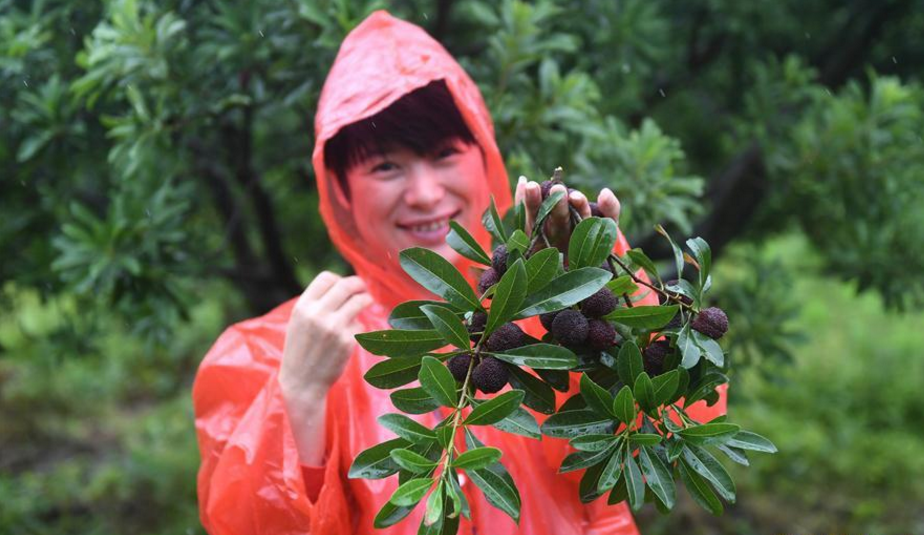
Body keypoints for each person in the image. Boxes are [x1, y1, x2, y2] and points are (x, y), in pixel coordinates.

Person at [192, 10, 726, 535]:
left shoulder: (544, 314)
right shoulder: (270, 354)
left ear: (483, 156)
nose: (425, 193)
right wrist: (298, 399)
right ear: (340, 190)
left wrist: (604, 289)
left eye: (445, 154)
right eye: (386, 166)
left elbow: (681, 427)